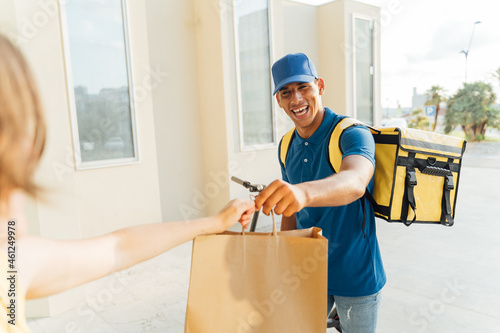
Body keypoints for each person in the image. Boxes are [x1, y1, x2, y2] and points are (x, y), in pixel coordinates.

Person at [0, 34, 255, 332]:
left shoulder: (11, 263)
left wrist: (214, 222)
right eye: (15, 130)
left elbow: (120, 247)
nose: (30, 152)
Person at [254, 53, 386, 333]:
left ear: (320, 87)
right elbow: (291, 210)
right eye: (286, 92)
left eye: (304, 87)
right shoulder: (286, 144)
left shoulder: (352, 133)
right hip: (308, 273)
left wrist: (303, 193)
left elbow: (355, 181)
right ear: (278, 100)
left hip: (355, 273)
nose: (296, 99)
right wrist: (283, 260)